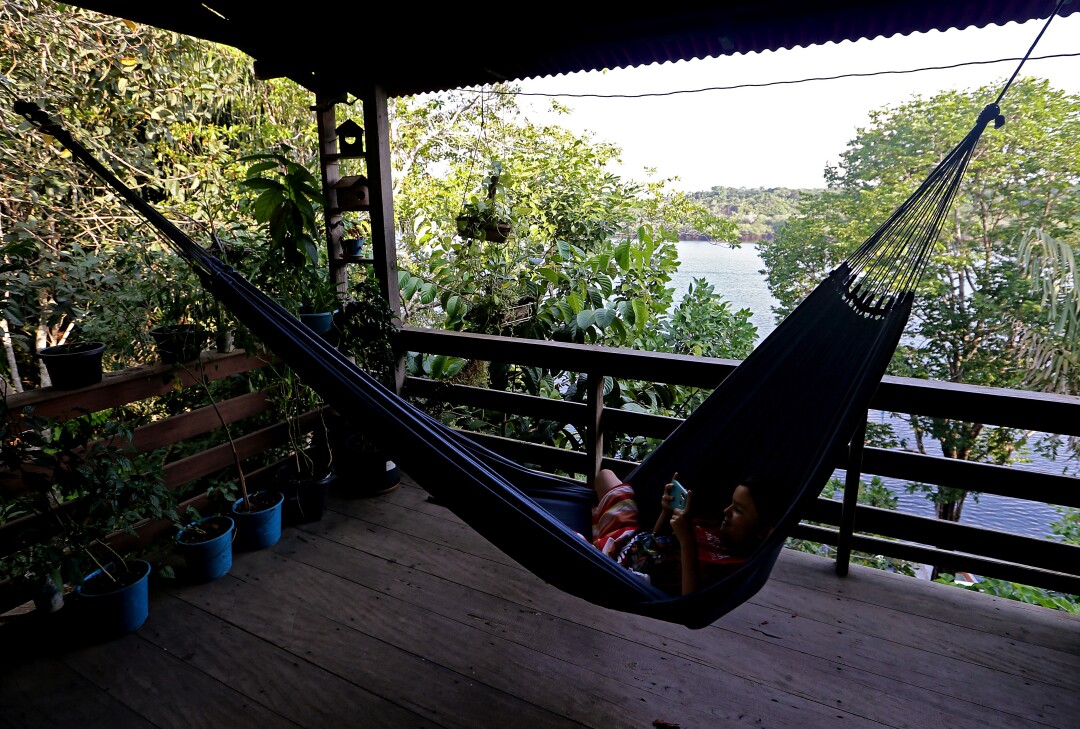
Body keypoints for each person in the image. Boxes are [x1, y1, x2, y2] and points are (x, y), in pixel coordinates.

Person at [590, 468, 773, 595]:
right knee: (605, 476)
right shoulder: (712, 526)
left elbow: (690, 603)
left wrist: (687, 542)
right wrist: (666, 511)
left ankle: (598, 534)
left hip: (620, 567)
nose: (726, 511)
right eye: (731, 504)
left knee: (573, 548)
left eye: (738, 510)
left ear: (762, 532)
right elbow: (655, 540)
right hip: (632, 538)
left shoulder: (734, 566)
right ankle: (601, 529)